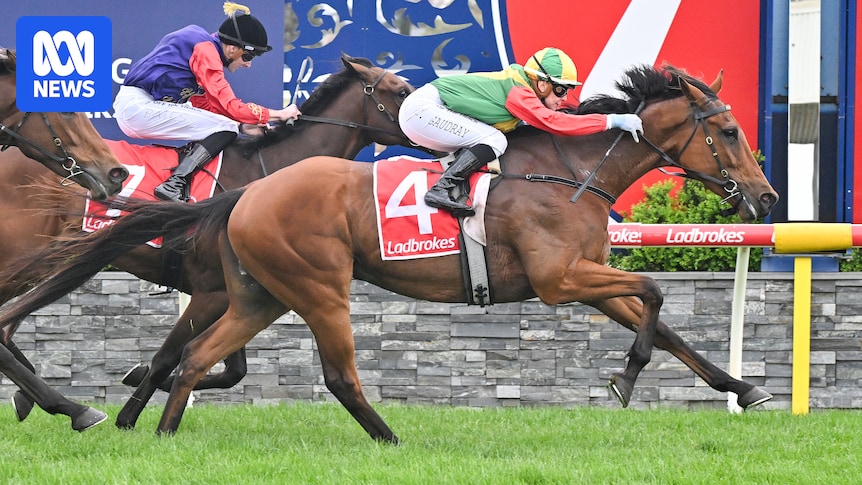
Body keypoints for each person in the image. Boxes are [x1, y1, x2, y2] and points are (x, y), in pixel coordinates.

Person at [399, 47, 643, 217]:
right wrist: (611, 120)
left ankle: (453, 188)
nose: (564, 98)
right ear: (542, 83)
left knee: (492, 139)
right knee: (495, 140)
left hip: (426, 112)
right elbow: (555, 123)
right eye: (560, 90)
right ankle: (441, 189)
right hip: (424, 110)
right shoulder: (519, 92)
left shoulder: (521, 88)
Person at [113, 2, 301, 202]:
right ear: (231, 48)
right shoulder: (205, 50)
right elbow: (230, 106)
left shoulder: (201, 49)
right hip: (138, 106)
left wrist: (243, 126)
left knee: (227, 126)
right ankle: (174, 183)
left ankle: (178, 181)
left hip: (139, 107)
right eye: (247, 56)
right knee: (226, 127)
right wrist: (279, 114)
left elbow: (206, 106)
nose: (248, 64)